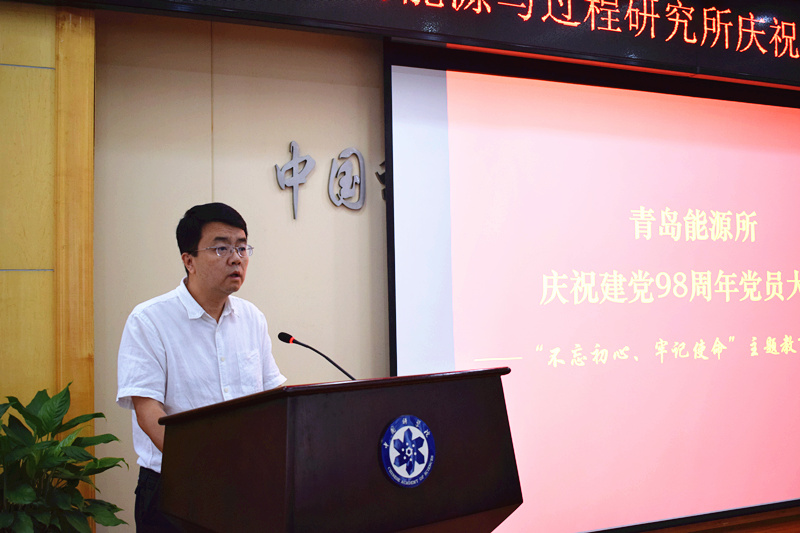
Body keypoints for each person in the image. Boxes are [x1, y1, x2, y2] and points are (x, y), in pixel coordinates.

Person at [116, 202, 286, 532]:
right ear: (189, 260)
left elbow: (273, 398)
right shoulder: (149, 320)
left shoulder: (252, 318)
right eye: (221, 248)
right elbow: (148, 411)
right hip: (175, 489)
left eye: (242, 247)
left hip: (246, 484)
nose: (236, 258)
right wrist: (207, 468)